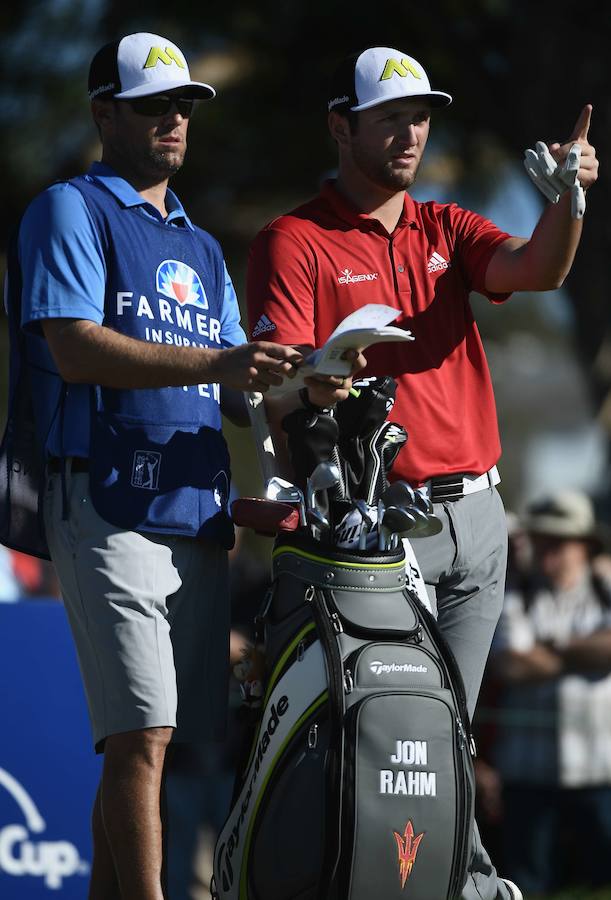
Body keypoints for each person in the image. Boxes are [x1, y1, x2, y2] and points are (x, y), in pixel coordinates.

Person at [246, 45, 599, 900]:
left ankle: (457, 881)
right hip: (373, 523)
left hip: (478, 520)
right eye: (388, 118)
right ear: (342, 125)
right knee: (393, 730)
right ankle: (379, 878)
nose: (409, 133)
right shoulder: (295, 239)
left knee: (451, 730)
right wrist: (314, 377)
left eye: (419, 117)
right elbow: (277, 375)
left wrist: (569, 201)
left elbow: (537, 268)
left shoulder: (445, 226)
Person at [4, 32, 305, 900]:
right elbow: (72, 348)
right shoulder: (69, 208)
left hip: (193, 509)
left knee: (152, 744)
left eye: (184, 105)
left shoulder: (203, 247)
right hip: (101, 495)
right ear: (105, 113)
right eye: (153, 105)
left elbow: (236, 384)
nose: (175, 119)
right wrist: (221, 365)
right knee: (142, 737)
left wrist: (306, 381)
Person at [491, 490, 611, 894]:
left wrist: (547, 649)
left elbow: (527, 660)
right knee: (527, 885)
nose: (547, 552)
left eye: (558, 542)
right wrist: (586, 651)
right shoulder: (513, 594)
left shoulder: (605, 589)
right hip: (527, 775)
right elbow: (511, 664)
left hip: (600, 772)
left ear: (583, 546)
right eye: (541, 539)